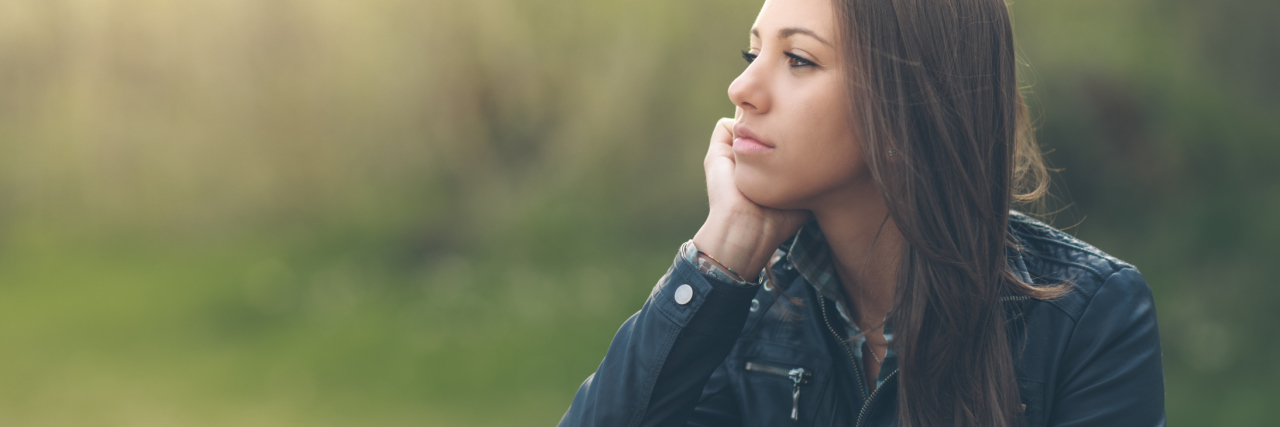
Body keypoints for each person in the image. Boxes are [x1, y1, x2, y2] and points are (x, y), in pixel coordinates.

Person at [558, 0, 1166, 425]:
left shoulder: (1087, 318)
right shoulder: (745, 305)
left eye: (798, 59)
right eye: (751, 54)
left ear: (909, 102)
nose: (741, 89)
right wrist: (721, 255)